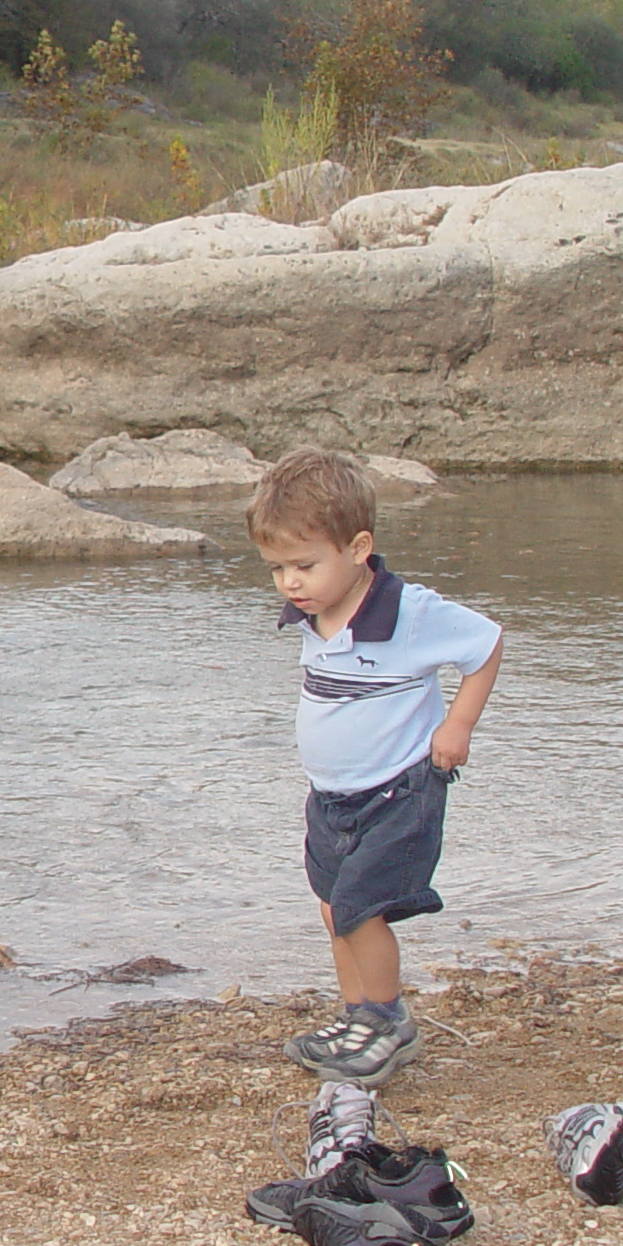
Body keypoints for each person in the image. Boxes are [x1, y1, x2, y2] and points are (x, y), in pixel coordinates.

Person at [249, 448, 502, 1087]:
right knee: (334, 906)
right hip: (331, 797)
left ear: (359, 547)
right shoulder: (312, 610)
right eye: (277, 568)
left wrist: (458, 725)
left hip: (398, 790)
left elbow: (485, 644)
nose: (290, 583)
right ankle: (357, 1014)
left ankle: (389, 1023)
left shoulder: (409, 613)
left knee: (362, 908)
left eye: (304, 566)